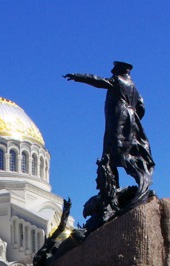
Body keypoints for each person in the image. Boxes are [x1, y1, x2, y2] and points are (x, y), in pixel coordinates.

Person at [65, 61, 154, 199]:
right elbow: (142, 107)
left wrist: (77, 76)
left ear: (122, 71)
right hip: (130, 122)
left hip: (118, 122)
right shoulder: (134, 88)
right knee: (120, 154)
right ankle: (123, 186)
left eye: (115, 69)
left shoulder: (118, 81)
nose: (112, 72)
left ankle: (116, 188)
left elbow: (97, 81)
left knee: (111, 156)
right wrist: (134, 118)